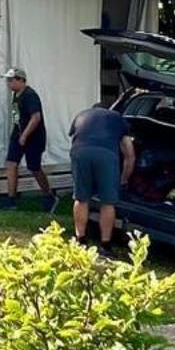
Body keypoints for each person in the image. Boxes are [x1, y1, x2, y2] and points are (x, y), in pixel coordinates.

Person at [69, 102, 135, 252]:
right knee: (108, 202)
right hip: (106, 155)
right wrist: (123, 180)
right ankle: (105, 245)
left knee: (81, 198)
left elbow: (75, 140)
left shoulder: (81, 115)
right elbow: (129, 154)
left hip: (80, 152)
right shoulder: (116, 118)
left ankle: (80, 240)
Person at [2, 67, 55, 212]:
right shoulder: (16, 95)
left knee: (34, 167)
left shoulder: (30, 95)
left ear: (21, 80)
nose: (9, 83)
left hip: (34, 137)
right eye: (8, 80)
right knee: (11, 163)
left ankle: (48, 195)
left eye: (11, 80)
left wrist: (25, 135)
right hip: (18, 132)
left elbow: (36, 117)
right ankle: (11, 199)